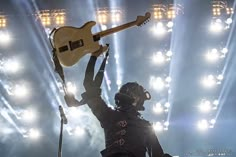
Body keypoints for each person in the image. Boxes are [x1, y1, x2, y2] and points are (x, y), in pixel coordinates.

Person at [64, 45, 172, 157]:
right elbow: (89, 85)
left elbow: (159, 155)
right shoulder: (109, 115)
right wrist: (94, 56)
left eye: (136, 94)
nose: (136, 97)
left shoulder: (145, 125)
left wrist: (94, 57)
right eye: (134, 93)